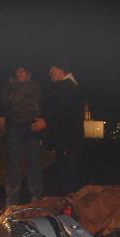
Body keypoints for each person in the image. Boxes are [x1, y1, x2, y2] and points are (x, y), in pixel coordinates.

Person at [31, 60, 84, 196]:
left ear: (61, 70)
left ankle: (68, 205)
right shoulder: (70, 86)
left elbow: (64, 113)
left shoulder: (67, 88)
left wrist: (46, 122)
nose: (49, 72)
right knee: (68, 175)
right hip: (69, 141)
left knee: (67, 176)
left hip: (68, 140)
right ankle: (68, 203)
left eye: (52, 69)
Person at [0, 65, 44, 206]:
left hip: (32, 128)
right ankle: (12, 201)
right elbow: (5, 104)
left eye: (23, 70)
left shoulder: (35, 86)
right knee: (13, 166)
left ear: (28, 72)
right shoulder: (8, 86)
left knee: (34, 164)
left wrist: (18, 100)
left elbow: (36, 105)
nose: (20, 73)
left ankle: (36, 198)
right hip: (14, 128)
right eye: (18, 70)